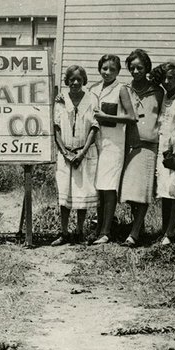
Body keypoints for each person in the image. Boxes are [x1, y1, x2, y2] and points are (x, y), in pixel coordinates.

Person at [51, 65, 100, 245]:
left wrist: (82, 152)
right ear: (67, 81)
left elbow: (94, 127)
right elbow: (56, 128)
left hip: (84, 154)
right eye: (72, 79)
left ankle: (79, 232)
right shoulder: (61, 100)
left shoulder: (91, 99)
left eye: (79, 79)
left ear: (84, 80)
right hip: (65, 154)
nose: (76, 83)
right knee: (65, 195)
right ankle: (64, 232)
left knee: (82, 194)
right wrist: (65, 153)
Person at [91, 54, 137, 244]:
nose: (107, 72)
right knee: (98, 188)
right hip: (96, 143)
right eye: (104, 68)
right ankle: (98, 227)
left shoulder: (121, 89)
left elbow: (132, 117)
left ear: (118, 71)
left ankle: (106, 231)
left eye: (112, 69)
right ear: (99, 69)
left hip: (114, 144)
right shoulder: (94, 89)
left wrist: (107, 117)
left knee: (109, 188)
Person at [122, 49, 162, 246]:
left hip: (149, 145)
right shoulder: (125, 90)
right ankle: (139, 226)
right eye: (132, 68)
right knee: (129, 190)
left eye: (140, 67)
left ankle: (135, 233)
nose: (136, 71)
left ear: (147, 68)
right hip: (129, 144)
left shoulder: (158, 91)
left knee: (143, 191)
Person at [151, 61, 175, 245]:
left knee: (174, 190)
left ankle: (171, 232)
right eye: (164, 78)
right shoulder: (164, 96)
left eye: (171, 78)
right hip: (162, 147)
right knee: (164, 190)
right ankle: (165, 230)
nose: (167, 81)